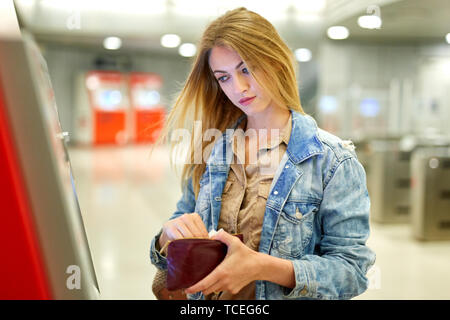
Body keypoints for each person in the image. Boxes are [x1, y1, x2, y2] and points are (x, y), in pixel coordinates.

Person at [149, 7, 376, 300]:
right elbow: (179, 228)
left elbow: (352, 271)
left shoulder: (332, 161)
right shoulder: (212, 149)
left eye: (246, 69)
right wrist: (168, 236)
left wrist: (261, 267)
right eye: (223, 77)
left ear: (275, 61)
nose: (238, 87)